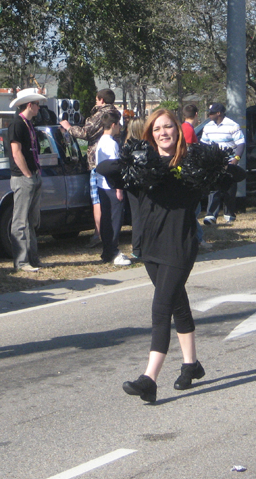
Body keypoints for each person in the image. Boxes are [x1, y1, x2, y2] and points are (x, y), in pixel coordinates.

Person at [97, 109, 243, 402]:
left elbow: (236, 174)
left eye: (169, 127)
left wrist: (208, 164)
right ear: (150, 134)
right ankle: (192, 365)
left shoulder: (190, 165)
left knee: (161, 307)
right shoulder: (140, 167)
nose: (164, 132)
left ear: (178, 130)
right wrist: (137, 160)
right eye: (157, 129)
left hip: (179, 244)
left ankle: (149, 378)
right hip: (148, 246)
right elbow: (104, 170)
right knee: (177, 303)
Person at [62, 89, 119, 248]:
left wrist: (69, 127)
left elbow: (86, 132)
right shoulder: (115, 114)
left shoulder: (101, 114)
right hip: (111, 161)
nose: (95, 102)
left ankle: (98, 234)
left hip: (97, 161)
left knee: (97, 199)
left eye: (96, 100)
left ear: (101, 100)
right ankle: (107, 232)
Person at [8, 88, 45, 272]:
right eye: (37, 104)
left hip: (34, 175)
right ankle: (21, 261)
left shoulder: (30, 124)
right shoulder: (17, 124)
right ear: (30, 105)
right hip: (23, 177)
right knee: (20, 221)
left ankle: (33, 257)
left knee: (32, 220)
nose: (39, 108)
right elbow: (16, 152)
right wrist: (28, 174)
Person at [201, 103, 244, 224]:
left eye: (211, 113)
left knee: (229, 190)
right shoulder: (207, 127)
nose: (209, 115)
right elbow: (204, 145)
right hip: (214, 163)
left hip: (229, 162)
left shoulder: (232, 125)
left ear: (219, 113)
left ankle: (229, 215)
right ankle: (211, 216)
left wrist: (236, 158)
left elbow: (241, 143)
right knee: (213, 188)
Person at [96, 110, 130, 266]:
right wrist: (119, 188)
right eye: (118, 125)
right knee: (115, 220)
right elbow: (116, 168)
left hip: (102, 185)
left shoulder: (101, 141)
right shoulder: (111, 143)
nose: (120, 128)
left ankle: (107, 250)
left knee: (107, 219)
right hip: (111, 186)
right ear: (114, 125)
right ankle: (113, 250)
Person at [124, 117, 146, 259]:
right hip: (143, 183)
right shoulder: (145, 146)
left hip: (130, 184)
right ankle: (139, 248)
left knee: (136, 216)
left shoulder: (126, 145)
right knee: (142, 216)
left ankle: (137, 248)